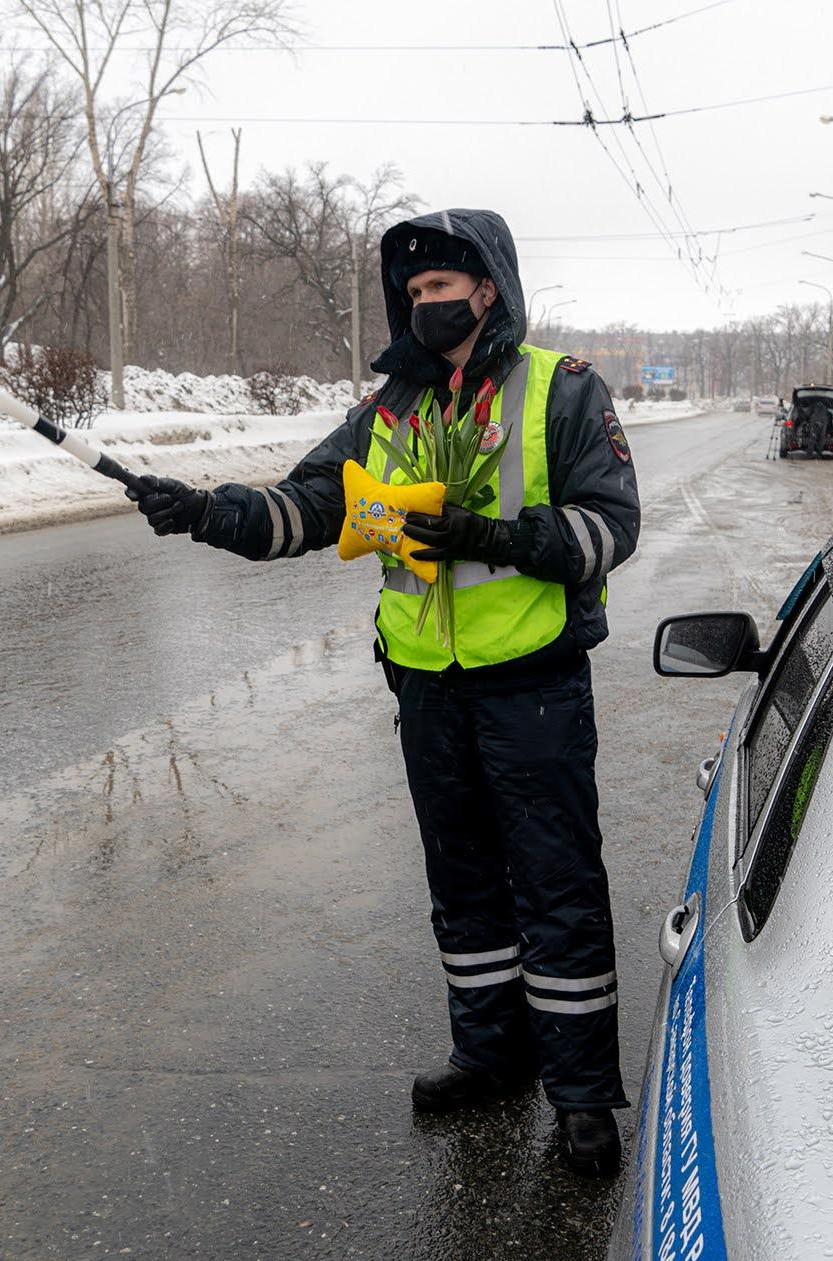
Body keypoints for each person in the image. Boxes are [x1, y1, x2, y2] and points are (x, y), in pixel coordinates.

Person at [127, 209, 640, 1177]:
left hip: (531, 683)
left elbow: (610, 527)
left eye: (441, 288)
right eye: (412, 294)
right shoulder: (393, 406)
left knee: (558, 887)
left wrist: (496, 537)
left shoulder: (560, 390)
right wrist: (204, 511)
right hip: (427, 687)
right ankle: (491, 1055)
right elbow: (312, 505)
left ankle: (580, 1095)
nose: (426, 305)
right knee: (463, 885)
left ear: (487, 289)